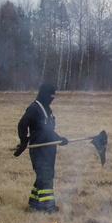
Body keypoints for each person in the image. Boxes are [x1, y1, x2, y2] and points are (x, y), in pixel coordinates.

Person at [13, 83, 68, 213]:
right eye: (51, 96)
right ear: (44, 95)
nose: (52, 98)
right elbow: (22, 124)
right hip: (39, 149)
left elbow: (48, 130)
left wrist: (59, 139)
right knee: (45, 176)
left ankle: (34, 204)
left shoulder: (47, 109)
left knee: (43, 176)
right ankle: (48, 206)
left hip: (49, 149)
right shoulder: (34, 108)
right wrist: (23, 142)